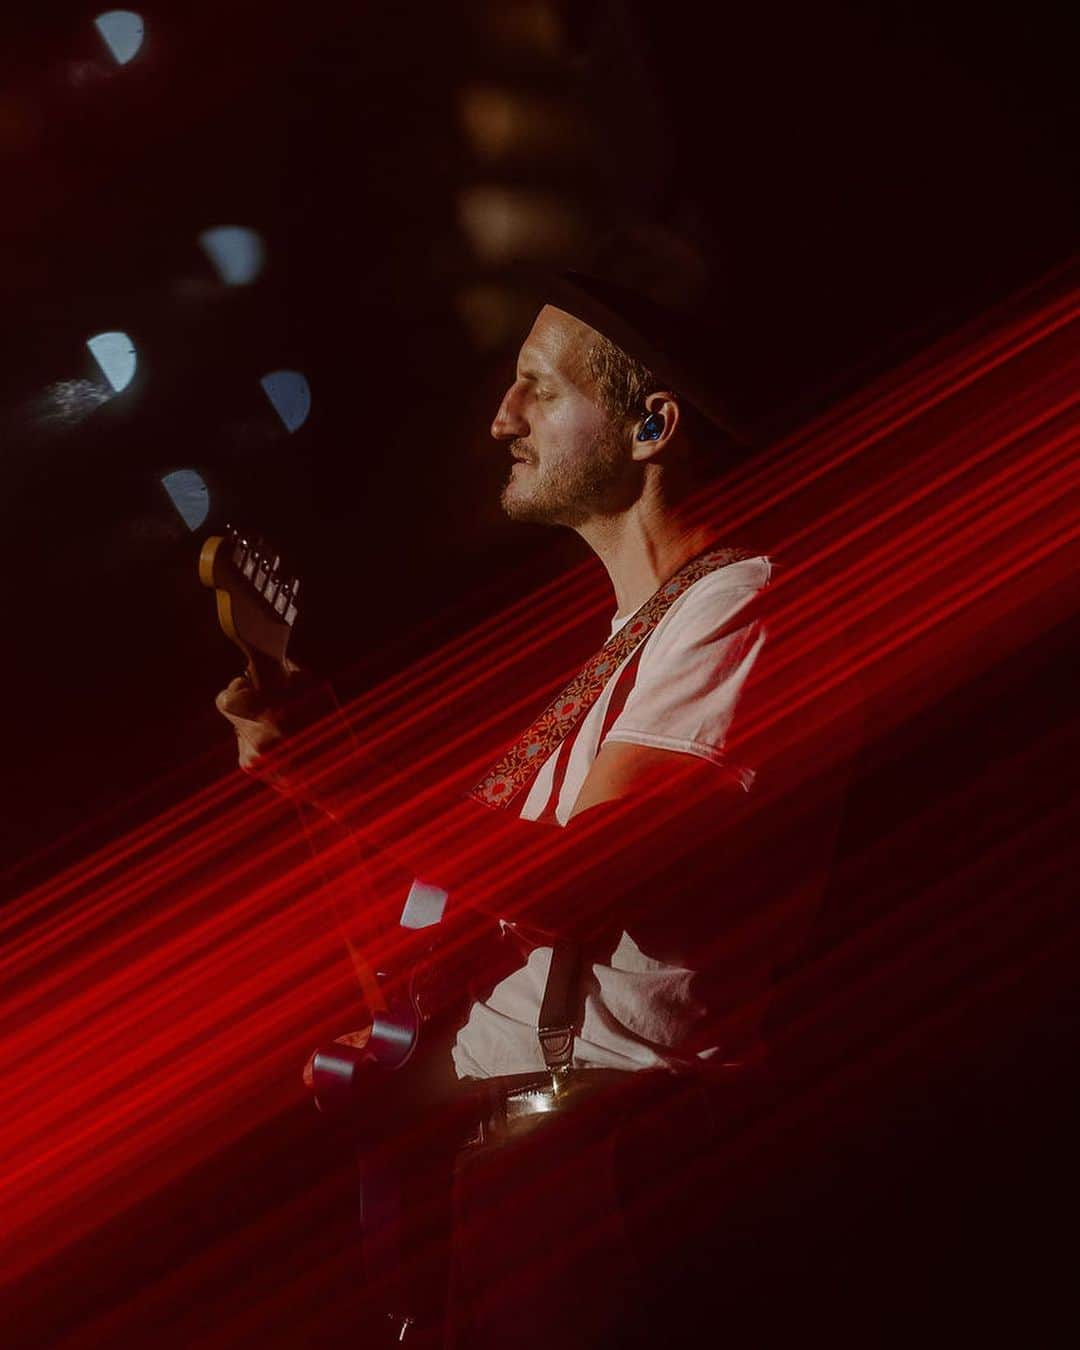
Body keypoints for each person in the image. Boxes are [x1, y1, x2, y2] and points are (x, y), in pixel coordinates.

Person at [217, 251, 858, 1346]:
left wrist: (333, 766)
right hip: (529, 1170)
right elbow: (404, 968)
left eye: (540, 388)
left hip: (620, 1161)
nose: (502, 419)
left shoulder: (740, 607)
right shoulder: (624, 650)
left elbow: (587, 880)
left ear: (652, 426)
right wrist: (301, 774)